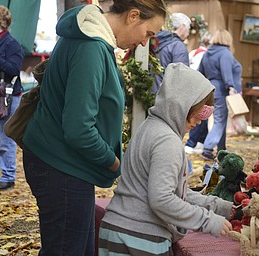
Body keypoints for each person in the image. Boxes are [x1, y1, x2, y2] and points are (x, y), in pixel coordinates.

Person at [22, 1, 167, 255]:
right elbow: (79, 129)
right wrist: (113, 163)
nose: (145, 43)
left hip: (64, 163)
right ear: (133, 16)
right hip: (61, 165)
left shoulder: (91, 37)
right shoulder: (91, 46)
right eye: (148, 33)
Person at [99, 63, 233, 255]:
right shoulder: (167, 141)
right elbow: (162, 199)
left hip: (117, 230)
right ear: (182, 104)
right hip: (141, 238)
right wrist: (207, 220)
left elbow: (174, 192)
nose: (201, 120)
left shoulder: (149, 127)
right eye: (200, 111)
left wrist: (220, 207)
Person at [0, 5, 24, 190]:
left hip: (6, 100)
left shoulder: (12, 45)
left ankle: (8, 177)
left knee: (5, 138)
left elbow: (14, 69)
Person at [198, 29, 242, 160]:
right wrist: (231, 87)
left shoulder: (207, 53)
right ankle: (207, 148)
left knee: (220, 120)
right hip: (222, 90)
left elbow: (200, 72)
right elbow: (226, 73)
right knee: (219, 121)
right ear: (227, 39)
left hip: (210, 90)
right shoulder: (225, 53)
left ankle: (221, 150)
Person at [185, 31, 212, 154]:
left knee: (202, 117)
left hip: (190, 86)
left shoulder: (193, 52)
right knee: (198, 116)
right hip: (201, 87)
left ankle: (201, 141)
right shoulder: (207, 55)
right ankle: (191, 142)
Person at [152, 12, 191, 92]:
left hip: (150, 92)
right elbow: (182, 77)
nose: (188, 33)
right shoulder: (178, 46)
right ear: (182, 27)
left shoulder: (155, 41)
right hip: (166, 96)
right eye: (188, 29)